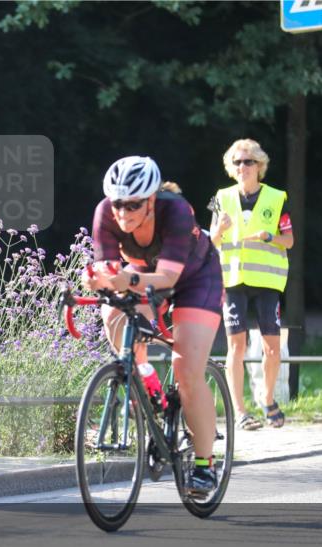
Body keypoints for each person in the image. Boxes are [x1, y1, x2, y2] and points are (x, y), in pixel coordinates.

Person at [82, 156, 224, 496]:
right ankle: (144, 379)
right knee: (115, 318)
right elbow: (108, 272)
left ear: (151, 201)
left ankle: (205, 465)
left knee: (187, 371)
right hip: (143, 280)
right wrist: (97, 282)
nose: (123, 212)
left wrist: (122, 278)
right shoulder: (105, 213)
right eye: (118, 203)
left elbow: (168, 277)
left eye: (133, 204)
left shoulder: (175, 210)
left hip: (194, 279)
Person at [210, 139, 294, 429]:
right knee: (237, 346)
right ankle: (240, 411)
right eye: (237, 162)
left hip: (267, 281)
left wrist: (269, 237)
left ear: (260, 166)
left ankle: (268, 400)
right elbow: (210, 241)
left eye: (248, 162)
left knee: (272, 347)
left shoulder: (276, 198)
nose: (242, 167)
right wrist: (219, 229)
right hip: (232, 280)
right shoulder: (221, 198)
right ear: (231, 168)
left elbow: (290, 240)